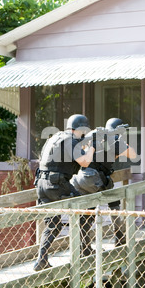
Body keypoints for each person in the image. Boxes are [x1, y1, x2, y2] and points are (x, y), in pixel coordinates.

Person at [33, 114, 95, 271]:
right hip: (56, 184)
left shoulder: (56, 137)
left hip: (41, 184)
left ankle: (41, 259)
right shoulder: (71, 140)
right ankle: (85, 249)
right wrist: (91, 148)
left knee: (53, 223)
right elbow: (85, 162)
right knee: (87, 209)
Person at [70, 118, 137, 249]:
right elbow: (133, 154)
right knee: (114, 203)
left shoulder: (95, 136)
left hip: (80, 178)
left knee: (87, 211)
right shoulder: (115, 140)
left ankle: (85, 246)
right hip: (94, 178)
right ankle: (120, 238)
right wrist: (123, 143)